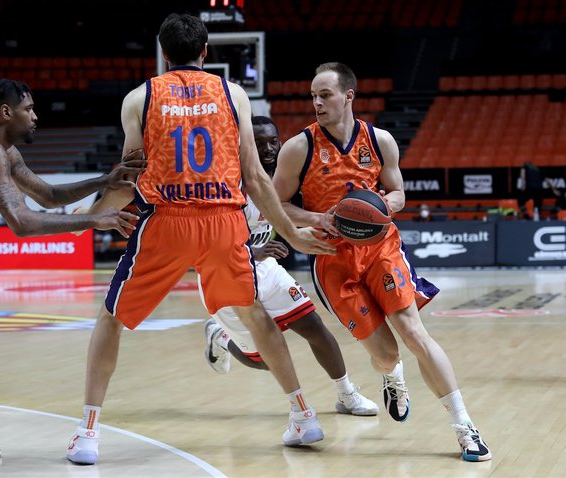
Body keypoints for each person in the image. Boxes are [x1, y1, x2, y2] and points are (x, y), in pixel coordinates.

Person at [66, 13, 336, 466]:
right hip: (223, 221)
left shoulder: (140, 97)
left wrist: (92, 216)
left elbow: (127, 176)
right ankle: (303, 414)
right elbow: (254, 175)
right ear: (206, 52)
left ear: (163, 53)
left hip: (166, 222)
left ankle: (88, 432)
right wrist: (293, 234)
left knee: (110, 320)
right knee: (254, 314)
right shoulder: (234, 95)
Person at [0, 79, 140, 478]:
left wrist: (104, 181)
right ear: (5, 112)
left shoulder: (5, 153)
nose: (35, 116)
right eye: (29, 109)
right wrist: (95, 220)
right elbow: (21, 222)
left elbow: (47, 196)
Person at [272, 62, 491, 462]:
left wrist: (383, 204)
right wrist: (315, 218)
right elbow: (277, 204)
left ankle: (465, 427)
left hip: (381, 248)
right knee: (388, 353)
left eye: (325, 95)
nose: (317, 103)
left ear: (349, 96)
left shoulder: (380, 140)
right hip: (332, 258)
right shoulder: (298, 147)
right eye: (313, 96)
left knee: (414, 333)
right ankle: (392, 375)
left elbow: (398, 193)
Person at [202, 116, 378, 417]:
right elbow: (205, 243)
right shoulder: (225, 183)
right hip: (225, 273)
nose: (269, 148)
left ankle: (346, 394)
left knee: (314, 326)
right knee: (260, 359)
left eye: (273, 141)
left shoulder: (281, 180)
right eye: (259, 143)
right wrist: (253, 251)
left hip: (265, 269)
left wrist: (317, 229)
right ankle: (220, 337)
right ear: (243, 145)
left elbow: (287, 218)